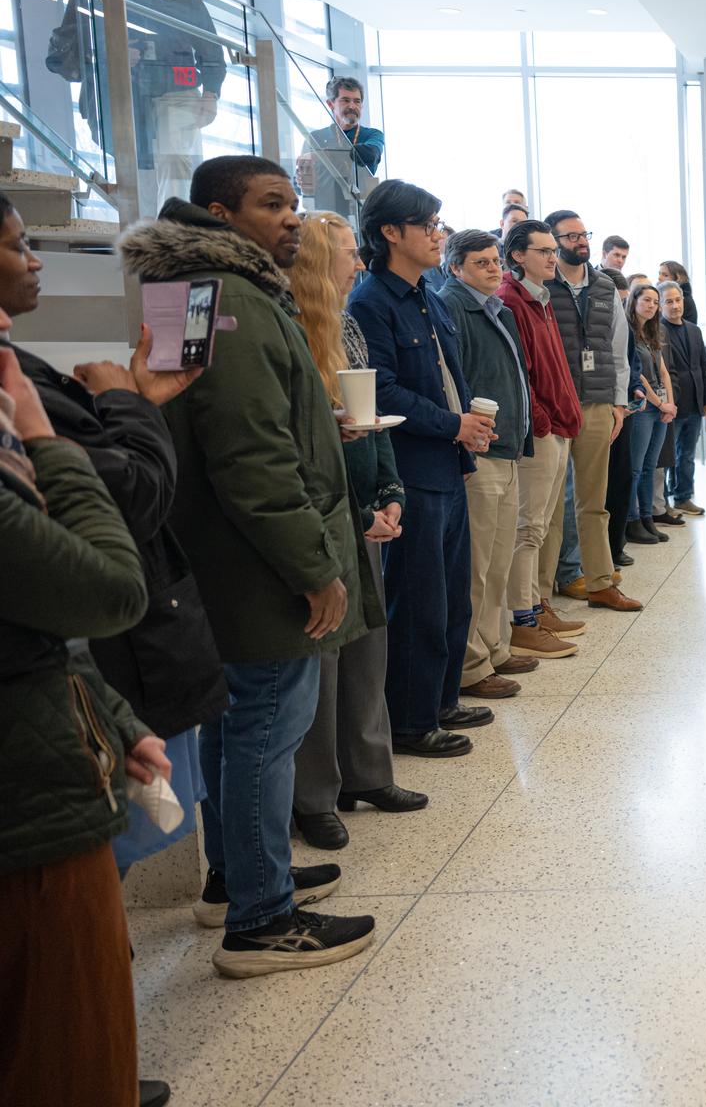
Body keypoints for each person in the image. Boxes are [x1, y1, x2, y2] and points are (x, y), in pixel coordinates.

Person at [118, 155, 376, 974]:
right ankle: (262, 921)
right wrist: (314, 566)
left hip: (228, 553)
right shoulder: (223, 296)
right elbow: (245, 454)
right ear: (220, 214)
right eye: (273, 205)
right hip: (254, 560)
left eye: (294, 204)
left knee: (241, 728)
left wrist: (312, 424)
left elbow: (224, 420)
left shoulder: (200, 289)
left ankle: (238, 879)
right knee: (267, 728)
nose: (292, 218)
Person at [1, 190, 227, 851]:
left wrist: (135, 402)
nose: (35, 262)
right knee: (112, 861)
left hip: (95, 676)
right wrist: (127, 405)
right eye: (17, 246)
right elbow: (132, 495)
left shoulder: (25, 370)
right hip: (77, 679)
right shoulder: (21, 388)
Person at [0, 345, 168, 1105]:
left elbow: (41, 630)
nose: (7, 319)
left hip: (44, 742)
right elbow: (106, 591)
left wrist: (111, 715)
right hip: (30, 811)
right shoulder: (25, 429)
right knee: (69, 1060)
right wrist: (49, 444)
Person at [285, 211, 423, 850]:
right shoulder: (289, 332)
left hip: (366, 508)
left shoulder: (348, 328)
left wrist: (389, 492)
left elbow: (372, 421)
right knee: (325, 657)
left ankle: (368, 773)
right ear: (316, 261)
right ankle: (315, 797)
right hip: (324, 516)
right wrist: (357, 508)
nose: (358, 263)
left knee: (369, 643)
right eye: (346, 253)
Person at [349, 181, 499, 755]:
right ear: (391, 232)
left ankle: (442, 699)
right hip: (411, 468)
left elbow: (448, 377)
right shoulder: (370, 302)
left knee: (452, 595)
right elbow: (382, 390)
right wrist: (451, 425)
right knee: (418, 599)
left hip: (447, 461)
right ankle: (411, 722)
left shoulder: (428, 296)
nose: (439, 234)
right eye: (429, 225)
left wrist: (468, 430)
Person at [47, 0, 226, 212]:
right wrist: (106, 56)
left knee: (174, 160)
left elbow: (210, 46)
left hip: (176, 90)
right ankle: (145, 231)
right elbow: (63, 51)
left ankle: (175, 228)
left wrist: (211, 92)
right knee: (138, 175)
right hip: (119, 96)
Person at [440, 230, 539, 703]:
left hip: (506, 447)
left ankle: (495, 647)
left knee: (498, 561)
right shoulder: (453, 305)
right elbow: (454, 382)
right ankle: (472, 664)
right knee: (476, 567)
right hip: (479, 450)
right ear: (455, 268)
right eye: (481, 262)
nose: (494, 268)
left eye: (495, 260)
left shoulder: (494, 307)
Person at [541, 210, 642, 611]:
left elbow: (620, 350)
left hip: (598, 402)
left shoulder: (603, 286)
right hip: (554, 406)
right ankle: (540, 595)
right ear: (553, 242)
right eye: (570, 237)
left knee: (593, 500)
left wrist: (619, 402)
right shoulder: (542, 286)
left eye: (584, 235)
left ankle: (601, 582)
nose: (580, 242)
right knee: (550, 506)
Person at [497, 220, 586, 658]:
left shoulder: (543, 297)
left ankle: (535, 603)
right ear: (517, 255)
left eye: (554, 250)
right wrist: (544, 420)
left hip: (557, 426)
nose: (553, 257)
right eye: (544, 250)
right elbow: (521, 373)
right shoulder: (510, 299)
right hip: (540, 429)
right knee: (528, 527)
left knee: (543, 522)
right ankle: (522, 619)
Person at [620, 283, 674, 548]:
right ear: (634, 301)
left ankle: (646, 517)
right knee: (636, 467)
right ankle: (631, 521)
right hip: (641, 406)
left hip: (661, 407)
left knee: (651, 466)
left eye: (655, 301)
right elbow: (636, 373)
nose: (652, 306)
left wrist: (670, 404)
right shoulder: (628, 332)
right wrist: (658, 403)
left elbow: (663, 371)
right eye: (647, 300)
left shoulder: (653, 332)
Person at [659, 281, 706, 517]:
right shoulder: (657, 330)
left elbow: (703, 367)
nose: (675, 306)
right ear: (660, 304)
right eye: (669, 301)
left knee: (687, 455)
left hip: (694, 402)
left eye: (678, 300)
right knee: (666, 457)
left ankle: (683, 496)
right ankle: (662, 503)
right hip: (671, 404)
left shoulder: (694, 330)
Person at [296, 76, 384, 217]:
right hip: (324, 215)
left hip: (361, 213)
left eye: (357, 101)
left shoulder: (372, 135)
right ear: (331, 104)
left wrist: (317, 155)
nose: (352, 106)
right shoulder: (315, 137)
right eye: (345, 100)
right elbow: (304, 184)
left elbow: (369, 154)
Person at [659, 259, 699, 326]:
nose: (659, 278)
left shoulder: (686, 300)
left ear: (678, 278)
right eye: (659, 274)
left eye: (665, 275)